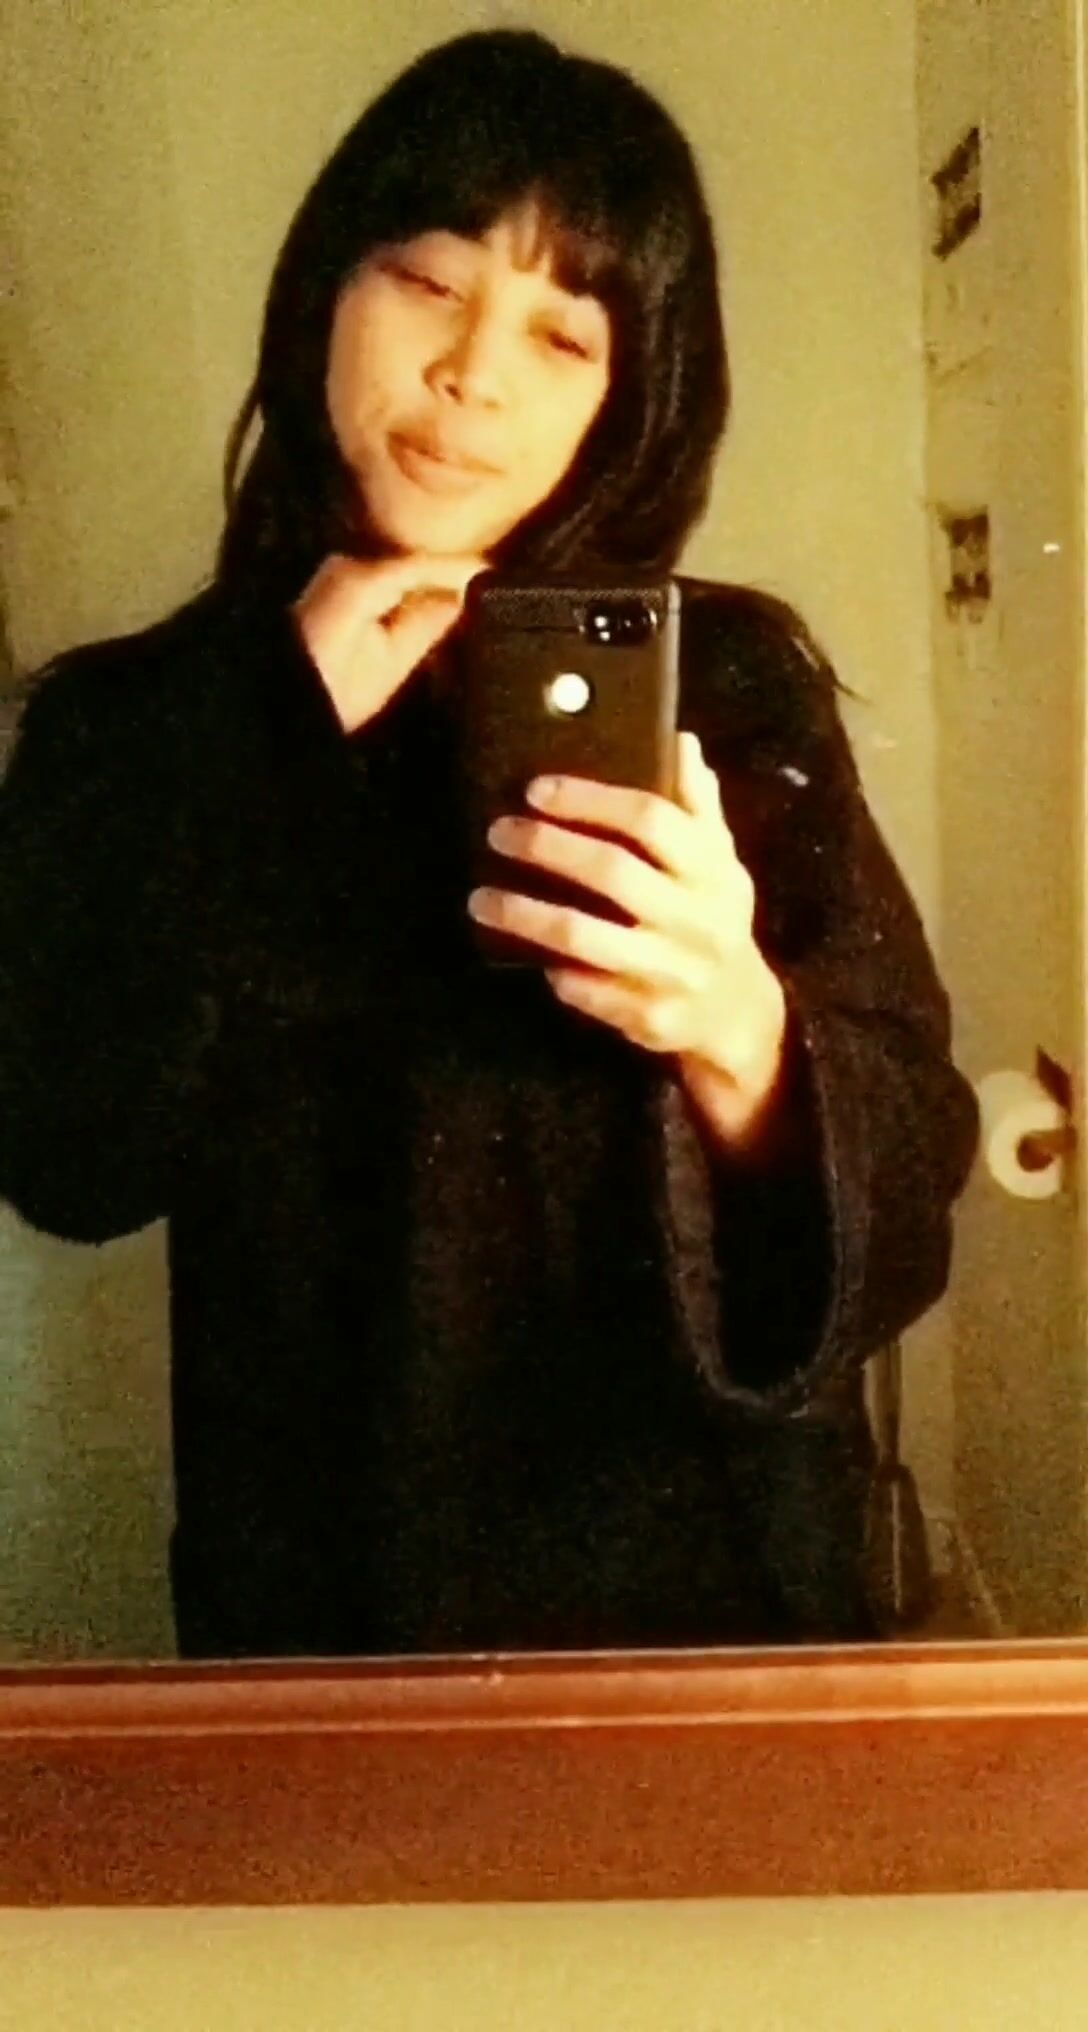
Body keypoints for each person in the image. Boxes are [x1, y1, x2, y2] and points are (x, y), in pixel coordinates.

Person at [0, 29, 978, 1658]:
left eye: (562, 333)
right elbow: (65, 1157)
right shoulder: (130, 721)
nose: (475, 374)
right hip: (324, 1618)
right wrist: (258, 744)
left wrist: (742, 1038)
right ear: (328, 289)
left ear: (628, 396)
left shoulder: (730, 693)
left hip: (717, 1611)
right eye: (428, 282)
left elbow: (920, 1158)